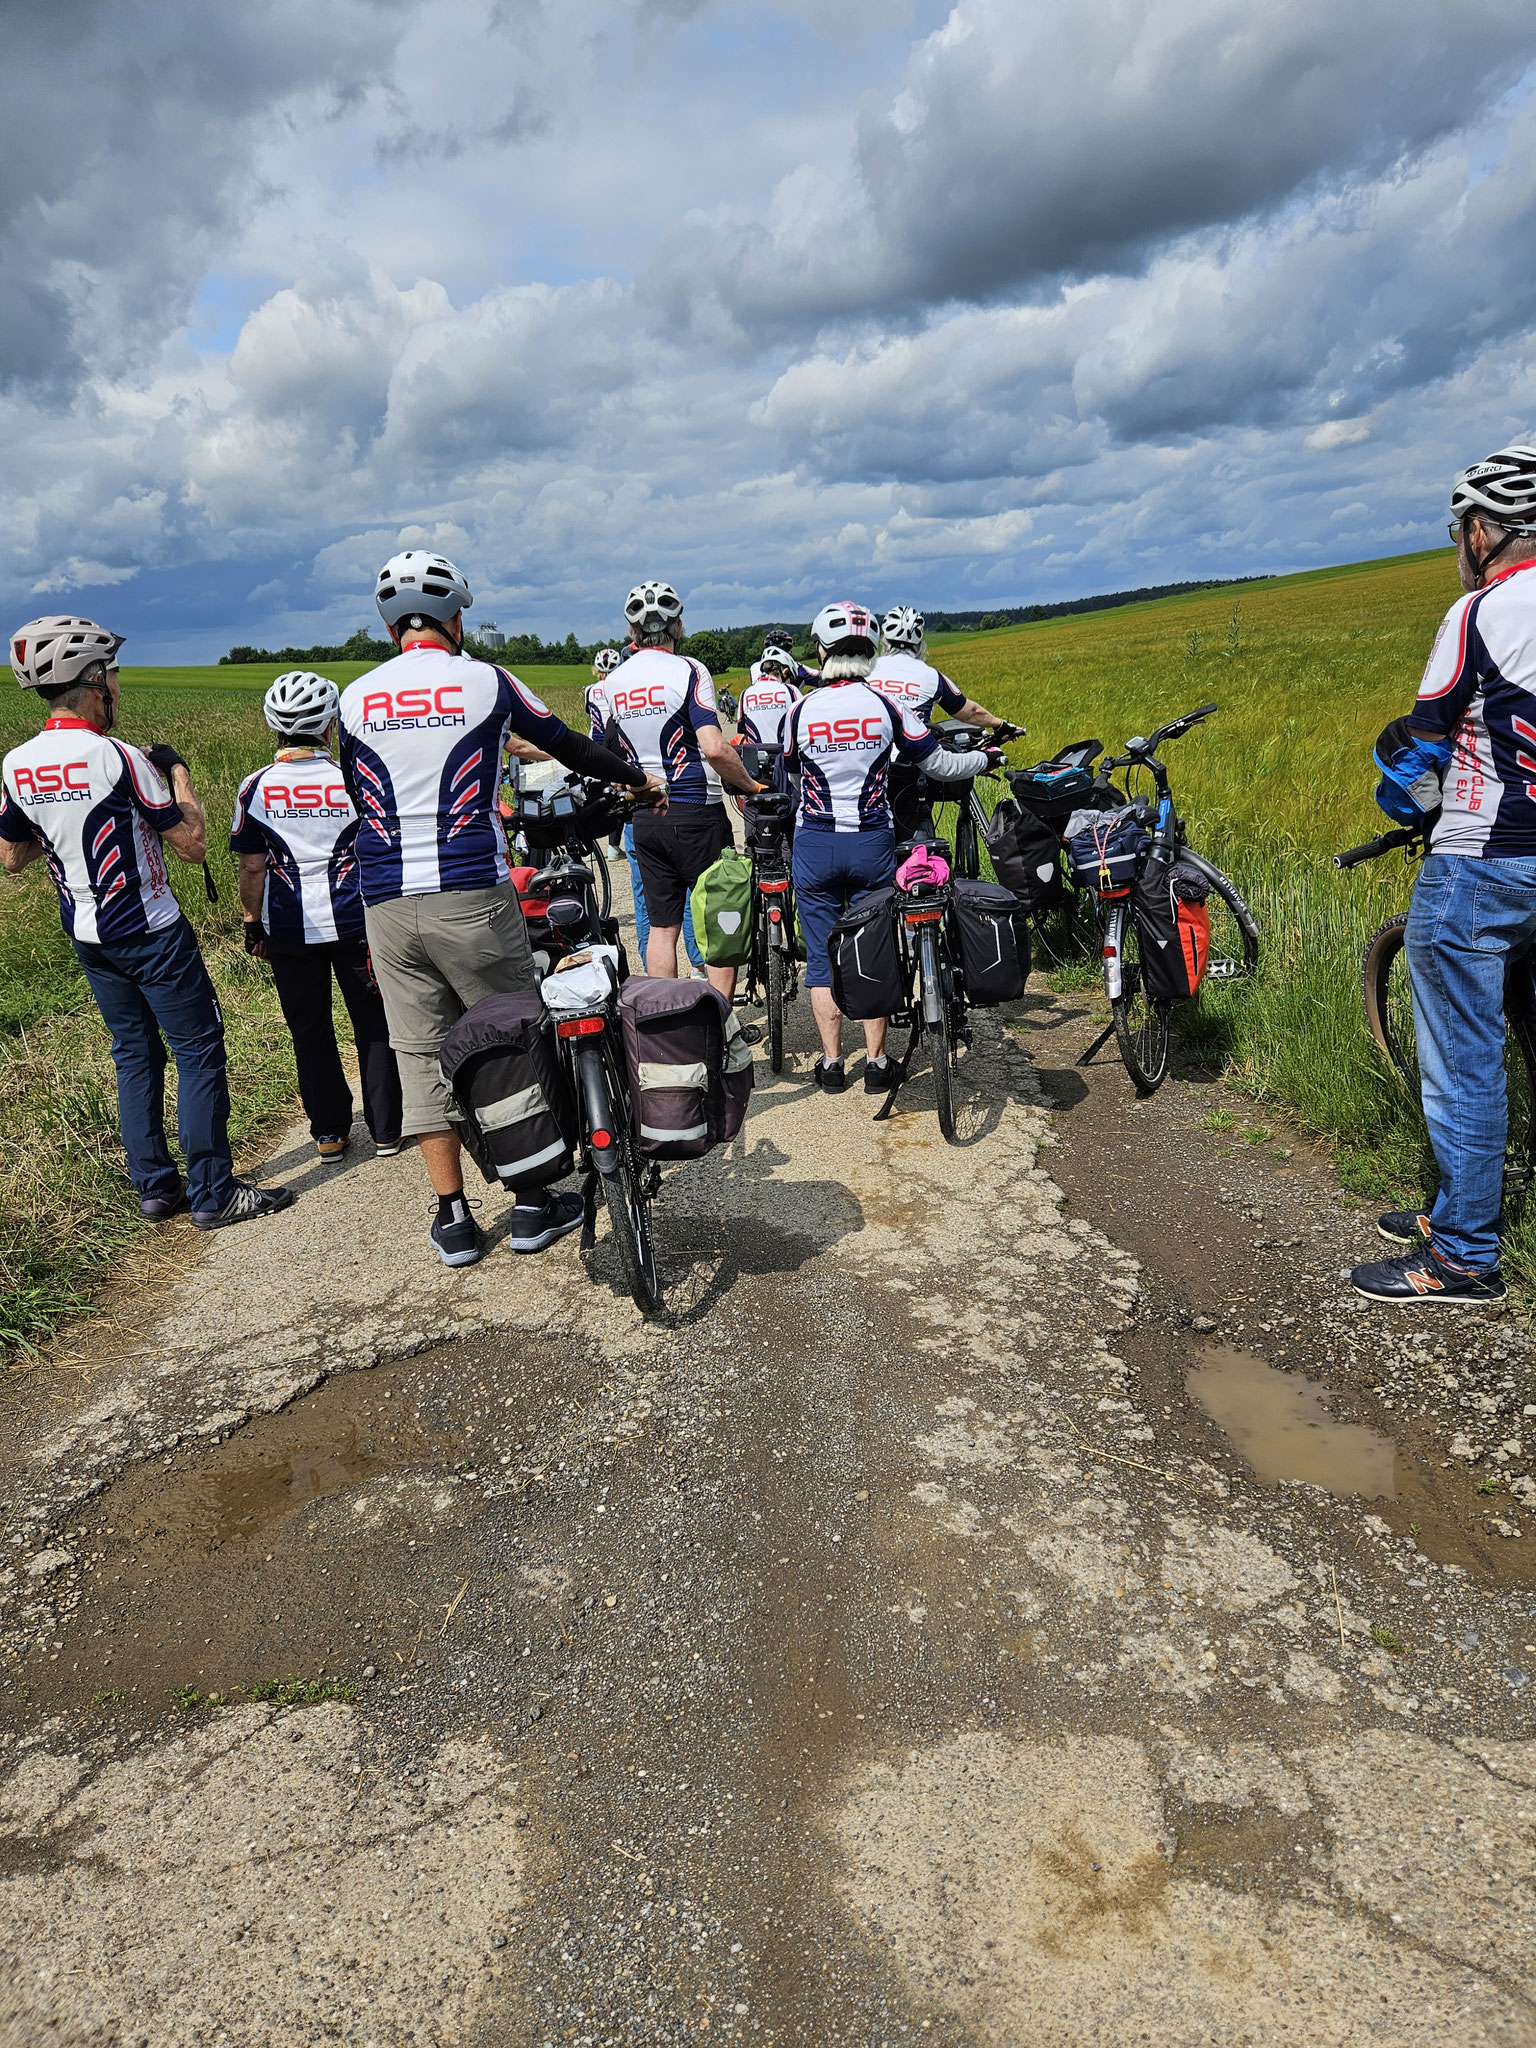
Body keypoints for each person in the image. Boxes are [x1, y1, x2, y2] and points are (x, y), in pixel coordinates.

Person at [338, 551, 660, 1268]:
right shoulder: (484, 679)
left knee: (421, 1052)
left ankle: (453, 1218)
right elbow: (568, 746)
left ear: (390, 625)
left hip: (385, 899)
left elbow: (360, 796)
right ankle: (531, 1204)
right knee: (511, 1038)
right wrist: (638, 780)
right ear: (454, 619)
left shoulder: (353, 697)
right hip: (472, 890)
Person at [0, 616, 293, 1229]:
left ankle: (157, 1189)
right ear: (95, 681)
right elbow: (190, 844)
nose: (118, 689)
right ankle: (214, 1192)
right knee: (199, 1050)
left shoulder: (17, 764)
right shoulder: (119, 756)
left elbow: (10, 856)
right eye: (113, 677)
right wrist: (179, 771)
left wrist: (56, 828)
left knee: (134, 1055)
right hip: (153, 931)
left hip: (87, 933)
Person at [1351, 446, 1536, 1306]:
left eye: (1462, 526)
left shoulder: (1479, 612)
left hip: (1481, 861)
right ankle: (1461, 1208)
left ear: (1485, 530)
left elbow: (1418, 756)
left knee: (1464, 1062)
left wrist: (1406, 795)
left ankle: (1463, 1255)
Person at [784, 601, 999, 1093]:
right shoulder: (886, 704)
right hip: (872, 842)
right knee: (873, 946)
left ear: (821, 650)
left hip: (815, 842)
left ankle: (832, 1064)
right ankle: (877, 1064)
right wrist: (982, 762)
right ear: (869, 650)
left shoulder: (801, 708)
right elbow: (938, 764)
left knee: (820, 956)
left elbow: (793, 772)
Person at [231, 671, 403, 1163]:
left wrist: (251, 923)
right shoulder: (353, 777)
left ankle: (329, 1133)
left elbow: (250, 865)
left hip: (288, 928)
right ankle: (387, 1130)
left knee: (309, 1031)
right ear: (330, 725)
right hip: (358, 921)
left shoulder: (254, 787)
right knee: (373, 1024)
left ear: (275, 727)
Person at [603, 579, 761, 997]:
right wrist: (749, 785)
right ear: (677, 627)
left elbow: (610, 754)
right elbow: (713, 747)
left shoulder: (612, 683)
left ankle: (669, 1024)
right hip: (696, 811)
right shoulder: (690, 670)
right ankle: (721, 1025)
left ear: (631, 634)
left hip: (645, 817)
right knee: (717, 915)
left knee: (661, 927)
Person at [868, 607, 1008, 843]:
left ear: (884, 639)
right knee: (914, 815)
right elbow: (969, 712)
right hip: (911, 764)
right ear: (920, 642)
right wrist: (1000, 724)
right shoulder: (930, 675)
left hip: (871, 763)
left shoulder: (867, 671)